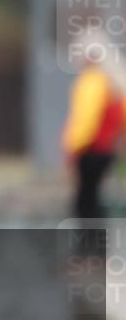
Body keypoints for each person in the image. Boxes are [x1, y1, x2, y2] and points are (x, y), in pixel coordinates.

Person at [62, 30, 126, 225]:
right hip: (105, 150)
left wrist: (73, 148)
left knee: (85, 201)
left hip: (90, 150)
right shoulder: (113, 81)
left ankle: (90, 251)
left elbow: (85, 120)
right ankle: (97, 249)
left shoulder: (91, 81)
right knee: (93, 198)